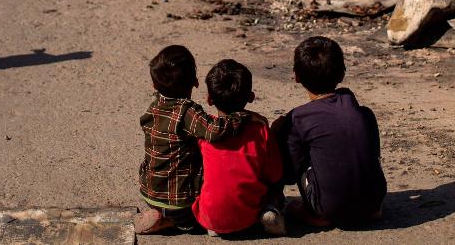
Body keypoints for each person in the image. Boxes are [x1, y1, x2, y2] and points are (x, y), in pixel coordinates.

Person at [270, 36, 386, 229]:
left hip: (329, 207)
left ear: (297, 76)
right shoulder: (364, 114)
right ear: (342, 74)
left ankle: (314, 214)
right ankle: (363, 211)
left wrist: (276, 133)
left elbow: (291, 173)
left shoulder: (297, 119)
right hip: (374, 200)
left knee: (293, 206)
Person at [136, 45, 247, 236]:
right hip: (182, 203)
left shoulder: (153, 108)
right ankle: (173, 221)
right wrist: (241, 117)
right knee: (205, 218)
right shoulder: (187, 112)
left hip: (150, 193)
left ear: (154, 85)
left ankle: (159, 213)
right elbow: (215, 132)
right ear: (195, 82)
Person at [192, 59, 286, 237]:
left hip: (210, 218)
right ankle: (270, 209)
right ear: (251, 97)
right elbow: (275, 174)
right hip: (248, 218)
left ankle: (215, 220)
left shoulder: (205, 131)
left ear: (209, 99)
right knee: (274, 182)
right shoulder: (260, 130)